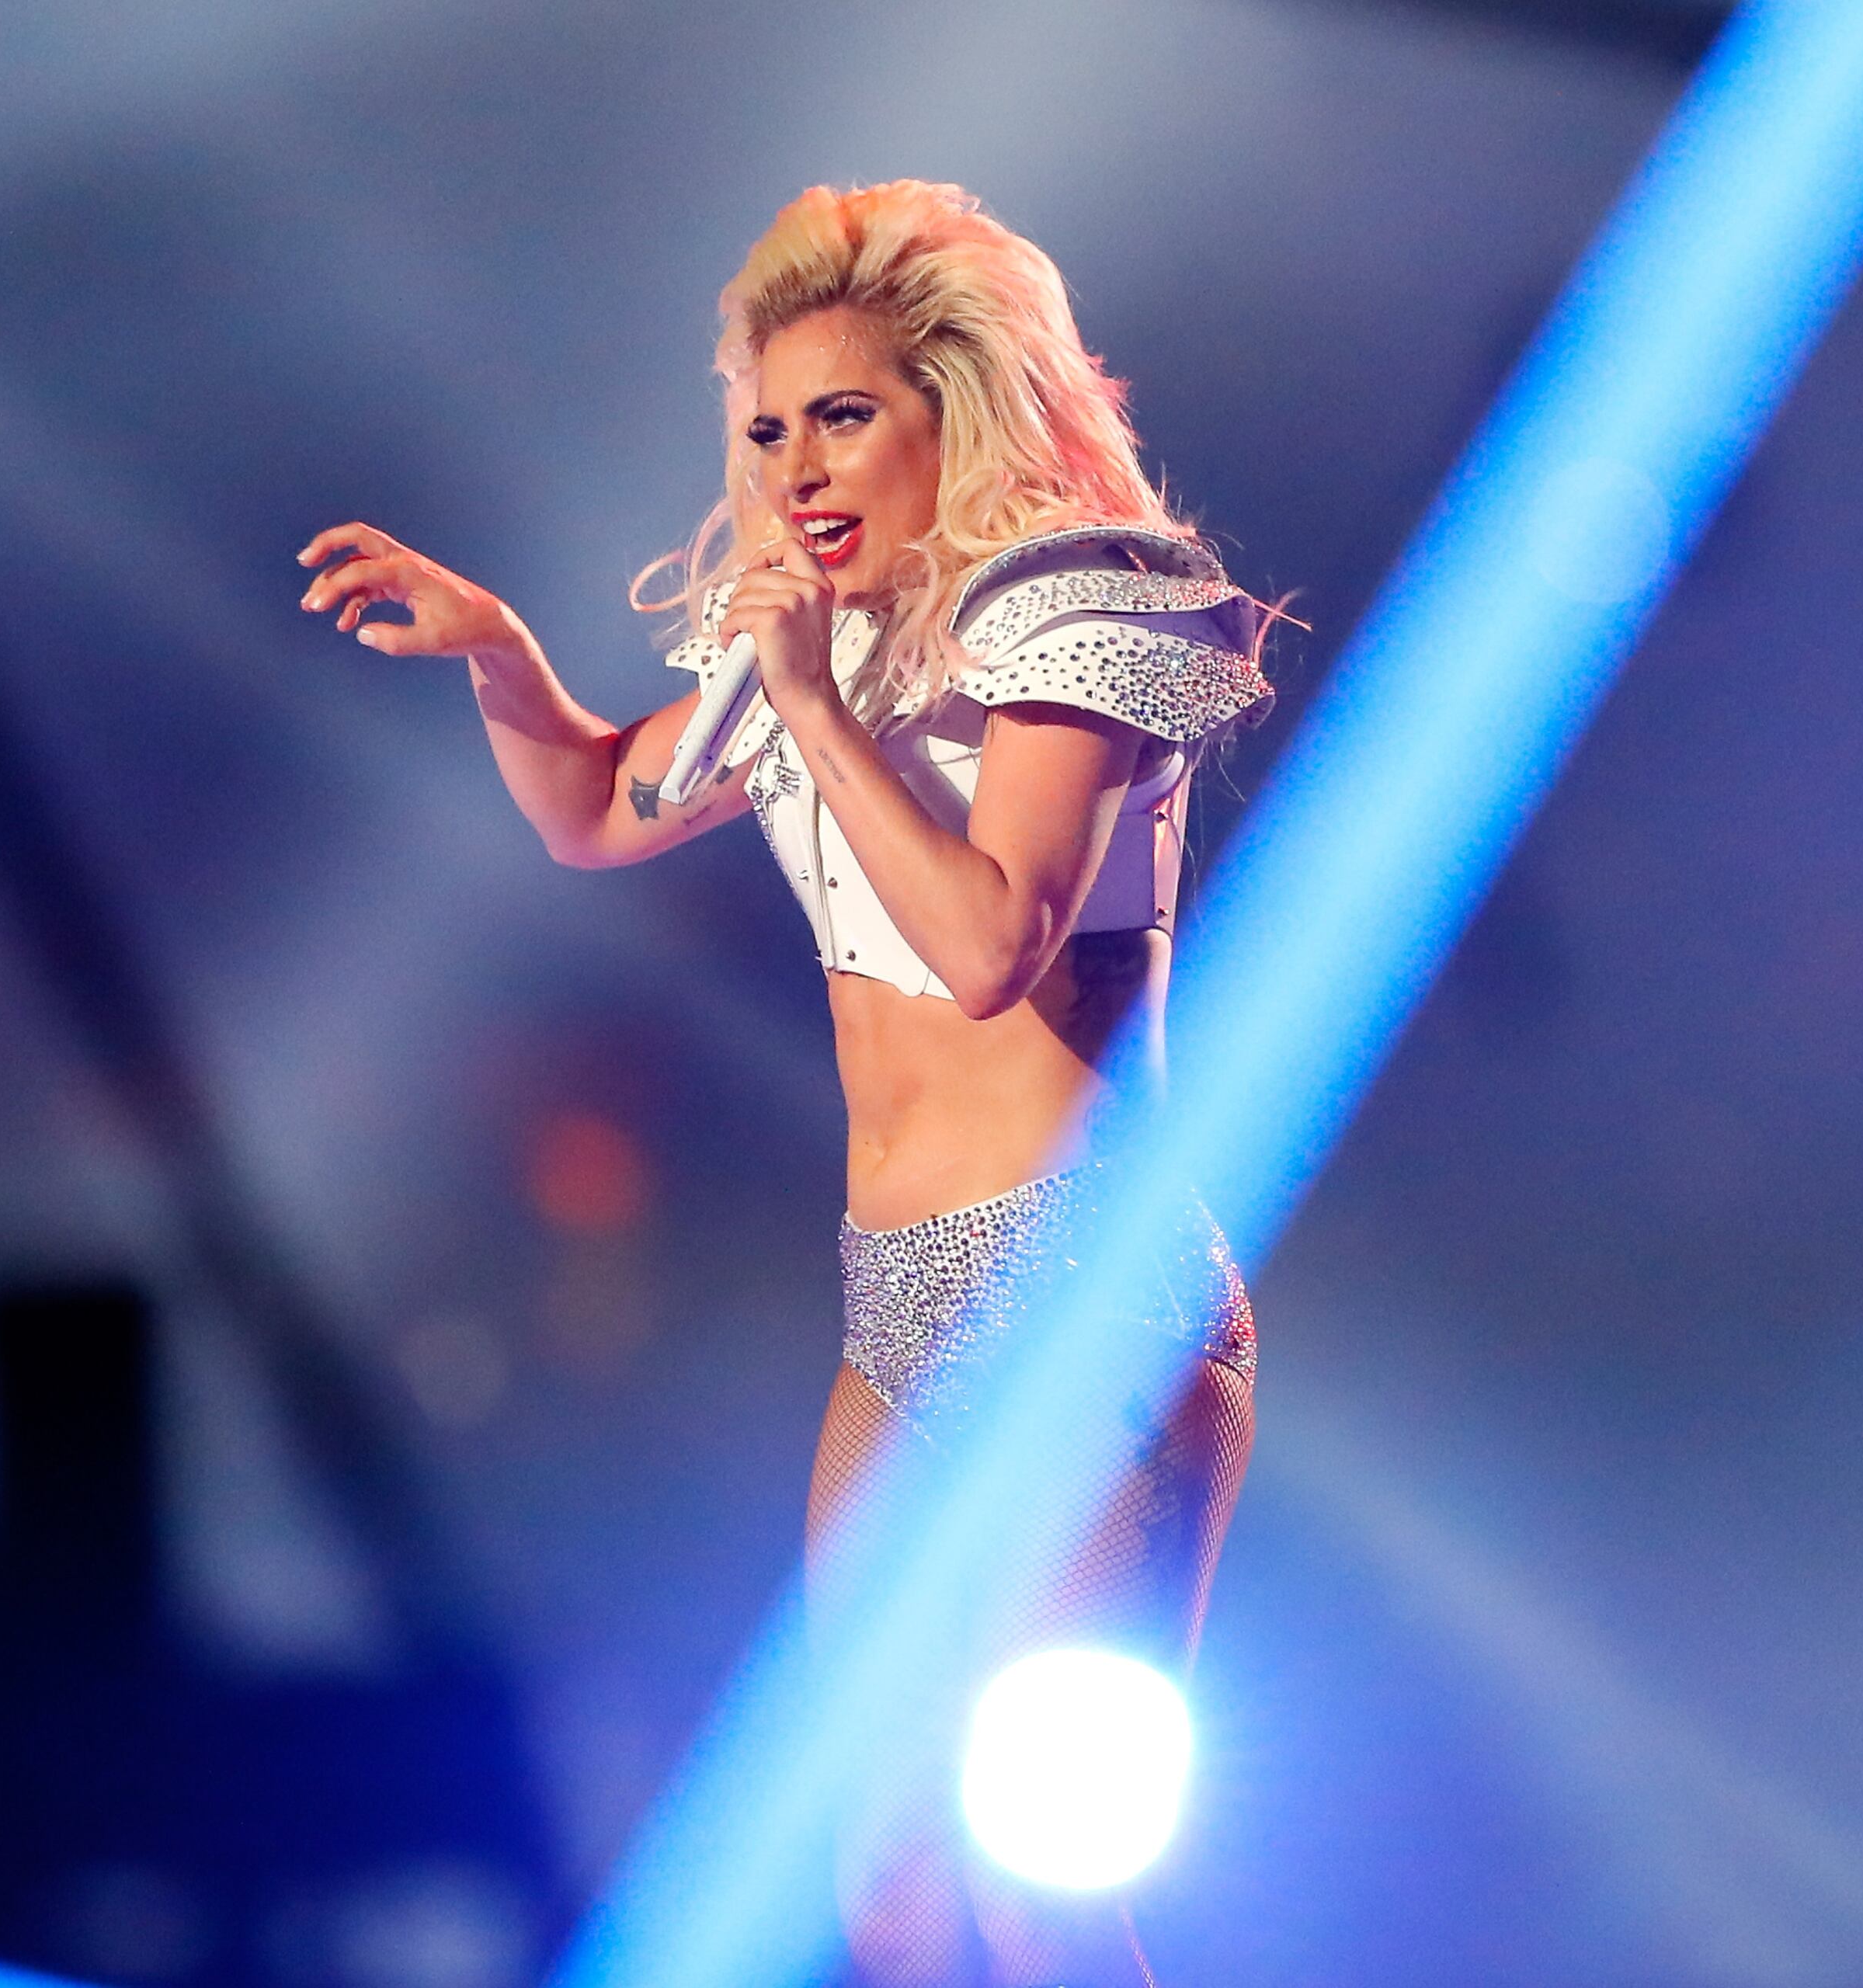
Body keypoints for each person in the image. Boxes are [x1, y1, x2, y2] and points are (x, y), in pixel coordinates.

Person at [297, 180, 1270, 1987]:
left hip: (1078, 1286)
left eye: (843, 415)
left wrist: (816, 705)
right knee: (888, 1887)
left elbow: (994, 942)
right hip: (887, 1306)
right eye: (766, 428)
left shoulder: (1080, 609)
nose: (798, 465)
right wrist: (506, 652)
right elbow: (596, 807)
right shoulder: (820, 647)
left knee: (1035, 1884)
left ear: (951, 415)